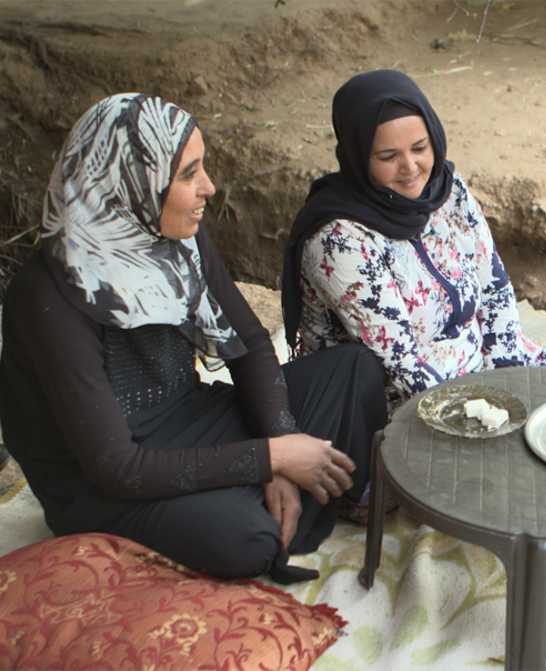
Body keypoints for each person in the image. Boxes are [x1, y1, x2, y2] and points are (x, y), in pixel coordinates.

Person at [0, 93, 388, 583]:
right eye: (188, 174)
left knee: (354, 369)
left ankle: (275, 496)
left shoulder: (177, 238)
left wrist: (280, 437)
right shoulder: (51, 294)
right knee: (246, 540)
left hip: (190, 417)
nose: (209, 186)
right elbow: (118, 467)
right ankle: (267, 509)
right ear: (129, 185)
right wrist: (271, 459)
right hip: (104, 482)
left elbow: (247, 338)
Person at [281, 70, 546, 416]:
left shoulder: (449, 192)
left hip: (484, 366)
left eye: (420, 148)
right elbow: (401, 365)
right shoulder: (338, 238)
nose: (410, 167)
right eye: (388, 157)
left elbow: (494, 287)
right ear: (358, 157)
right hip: (406, 401)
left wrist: (508, 376)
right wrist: (491, 409)